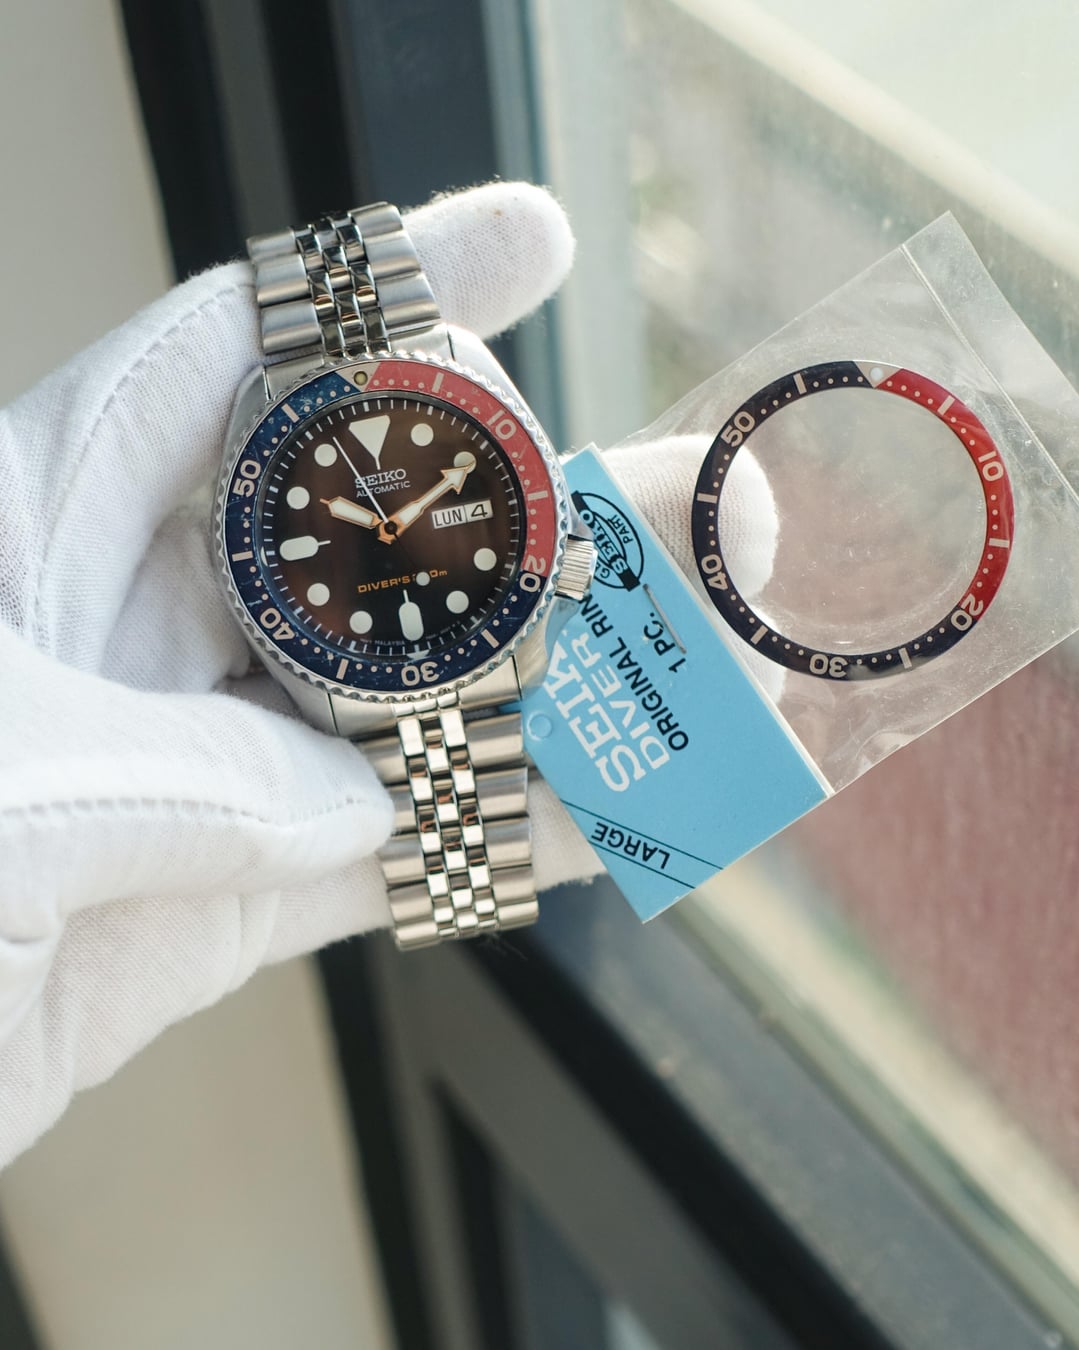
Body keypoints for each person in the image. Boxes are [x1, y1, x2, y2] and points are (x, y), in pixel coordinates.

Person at [0, 181, 773, 1168]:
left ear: (562, 542)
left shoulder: (452, 433)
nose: (393, 532)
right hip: (366, 668)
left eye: (410, 515)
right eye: (371, 529)